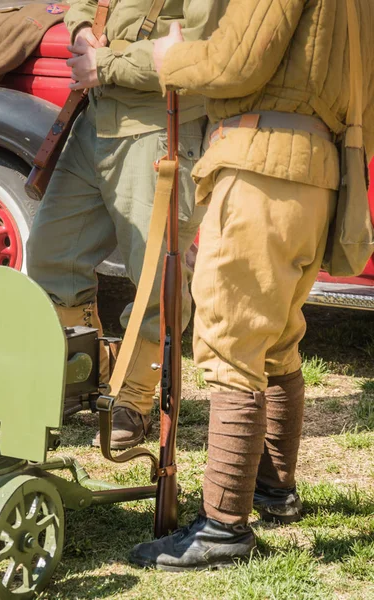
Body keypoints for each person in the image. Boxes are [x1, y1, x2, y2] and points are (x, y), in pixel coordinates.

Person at [129, 0, 374, 570]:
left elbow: (236, 61)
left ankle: (222, 527)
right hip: (315, 169)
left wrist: (171, 58)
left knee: (230, 341)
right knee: (278, 338)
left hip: (263, 164)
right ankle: (272, 489)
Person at [27, 0, 227, 449]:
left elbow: (199, 47)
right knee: (51, 253)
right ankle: (86, 375)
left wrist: (106, 64)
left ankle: (133, 398)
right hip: (93, 121)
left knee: (156, 276)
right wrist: (80, 29)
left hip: (159, 125)